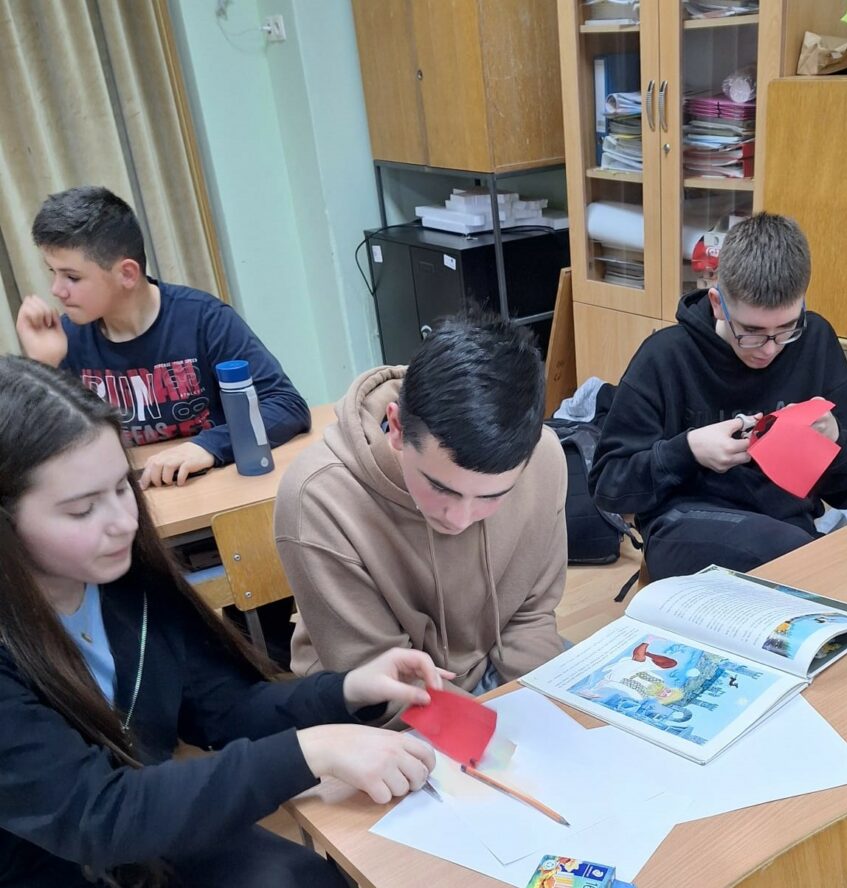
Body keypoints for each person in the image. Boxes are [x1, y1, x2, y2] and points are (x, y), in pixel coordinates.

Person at [0, 355, 446, 888]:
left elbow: (228, 709)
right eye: (81, 509)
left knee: (305, 878)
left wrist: (347, 690)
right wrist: (312, 751)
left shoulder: (121, 583)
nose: (123, 522)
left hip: (145, 836)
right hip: (53, 863)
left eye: (123, 488)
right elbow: (98, 814)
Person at [276, 315, 568, 722]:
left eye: (492, 496)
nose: (460, 518)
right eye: (441, 488)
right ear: (396, 427)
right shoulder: (320, 497)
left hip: (489, 666)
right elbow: (378, 680)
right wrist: (489, 739)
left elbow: (531, 616)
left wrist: (546, 714)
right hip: (373, 700)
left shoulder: (544, 458)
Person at [590, 213, 847, 581]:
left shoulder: (815, 340)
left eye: (786, 329)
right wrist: (688, 451)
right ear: (718, 303)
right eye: (751, 332)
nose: (769, 349)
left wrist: (834, 440)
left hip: (789, 531)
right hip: (686, 526)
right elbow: (609, 486)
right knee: (809, 567)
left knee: (840, 569)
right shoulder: (666, 356)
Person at [14, 185, 311, 489]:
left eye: (72, 277)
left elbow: (286, 405)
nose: (56, 290)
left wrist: (207, 446)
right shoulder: (65, 340)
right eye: (52, 272)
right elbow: (36, 459)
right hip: (128, 501)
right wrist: (43, 366)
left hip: (210, 489)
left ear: (127, 274)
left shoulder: (204, 319)